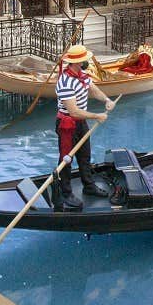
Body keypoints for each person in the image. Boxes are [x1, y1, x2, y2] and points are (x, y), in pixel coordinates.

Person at [53, 44, 115, 210]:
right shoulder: (65, 82)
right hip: (67, 124)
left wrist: (107, 100)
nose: (86, 61)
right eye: (84, 60)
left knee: (85, 155)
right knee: (66, 160)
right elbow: (73, 111)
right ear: (76, 63)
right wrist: (97, 116)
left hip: (81, 122)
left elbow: (93, 90)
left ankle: (88, 186)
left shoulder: (83, 75)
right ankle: (66, 193)